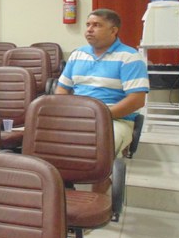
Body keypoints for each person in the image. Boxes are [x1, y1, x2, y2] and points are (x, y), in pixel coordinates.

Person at [56, 9, 149, 156]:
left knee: (98, 147)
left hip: (115, 120)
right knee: (43, 140)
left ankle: (104, 173)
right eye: (88, 25)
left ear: (113, 31)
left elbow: (137, 100)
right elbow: (62, 89)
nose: (89, 29)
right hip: (77, 117)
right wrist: (69, 113)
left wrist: (100, 115)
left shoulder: (130, 57)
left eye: (97, 25)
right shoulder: (78, 54)